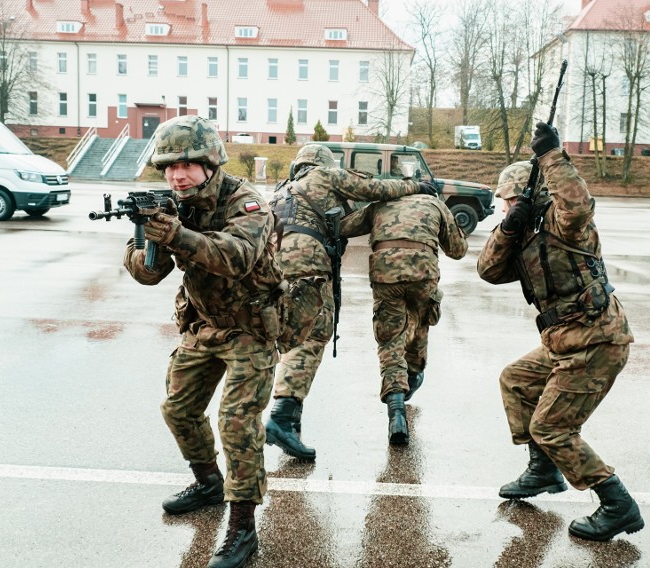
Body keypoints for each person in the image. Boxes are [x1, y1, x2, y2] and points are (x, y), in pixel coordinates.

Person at [123, 115, 284, 568]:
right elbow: (148, 275)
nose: (177, 175)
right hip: (204, 324)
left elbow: (235, 258)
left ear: (211, 162)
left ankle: (242, 527)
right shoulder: (172, 203)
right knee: (178, 409)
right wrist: (146, 238)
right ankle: (209, 482)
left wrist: (176, 234)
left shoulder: (247, 204)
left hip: (250, 329)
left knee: (236, 422)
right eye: (169, 166)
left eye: (188, 165)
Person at [477, 122, 644, 541]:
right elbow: (488, 271)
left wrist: (551, 155)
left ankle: (616, 504)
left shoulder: (564, 223)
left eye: (510, 200)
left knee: (552, 427)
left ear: (531, 196)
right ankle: (543, 470)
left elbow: (578, 203)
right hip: (563, 342)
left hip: (597, 339)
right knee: (515, 380)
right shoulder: (524, 233)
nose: (503, 206)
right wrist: (509, 229)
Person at [265, 144, 438, 459]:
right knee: (312, 337)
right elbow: (374, 188)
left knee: (290, 339)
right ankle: (280, 418)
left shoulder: (281, 192)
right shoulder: (325, 176)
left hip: (275, 267)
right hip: (309, 266)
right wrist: (415, 186)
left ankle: (292, 416)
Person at [341, 190, 468, 445]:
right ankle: (413, 374)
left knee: (390, 342)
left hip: (385, 273)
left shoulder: (381, 202)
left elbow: (344, 226)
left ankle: (396, 414)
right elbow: (458, 250)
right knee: (421, 324)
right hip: (423, 273)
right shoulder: (435, 203)